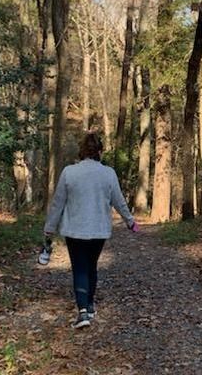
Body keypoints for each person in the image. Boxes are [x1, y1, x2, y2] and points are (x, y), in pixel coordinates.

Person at [43, 132, 139, 329]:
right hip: (98, 231)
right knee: (91, 266)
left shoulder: (69, 172)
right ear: (99, 152)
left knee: (79, 268)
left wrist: (49, 229)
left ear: (81, 151)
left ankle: (83, 312)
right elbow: (119, 201)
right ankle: (90, 305)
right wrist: (130, 222)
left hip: (75, 231)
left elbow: (58, 203)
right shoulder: (108, 173)